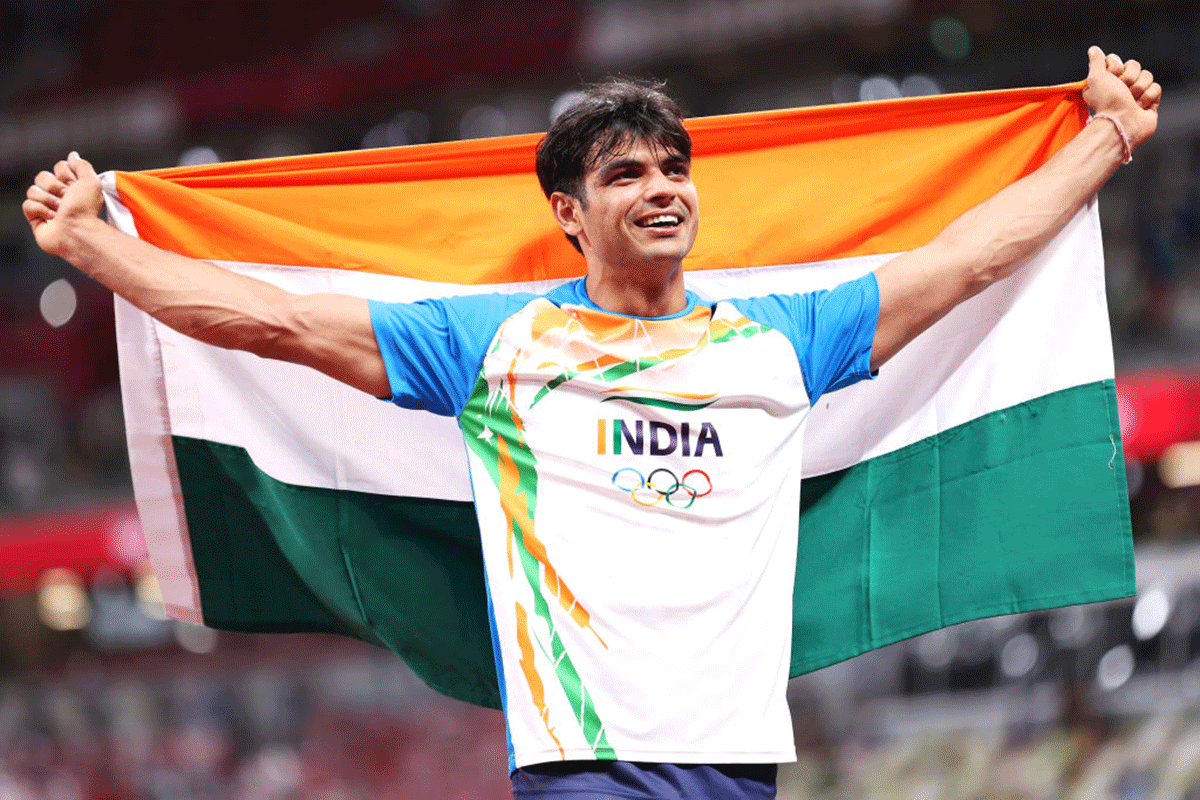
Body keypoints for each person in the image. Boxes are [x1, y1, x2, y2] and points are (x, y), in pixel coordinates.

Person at [23, 47, 1159, 800]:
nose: (663, 187)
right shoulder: (494, 343)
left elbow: (968, 260)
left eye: (674, 166)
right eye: (626, 173)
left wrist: (1105, 138)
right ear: (568, 213)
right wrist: (97, 249)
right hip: (585, 763)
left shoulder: (781, 337)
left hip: (739, 760)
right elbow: (271, 320)